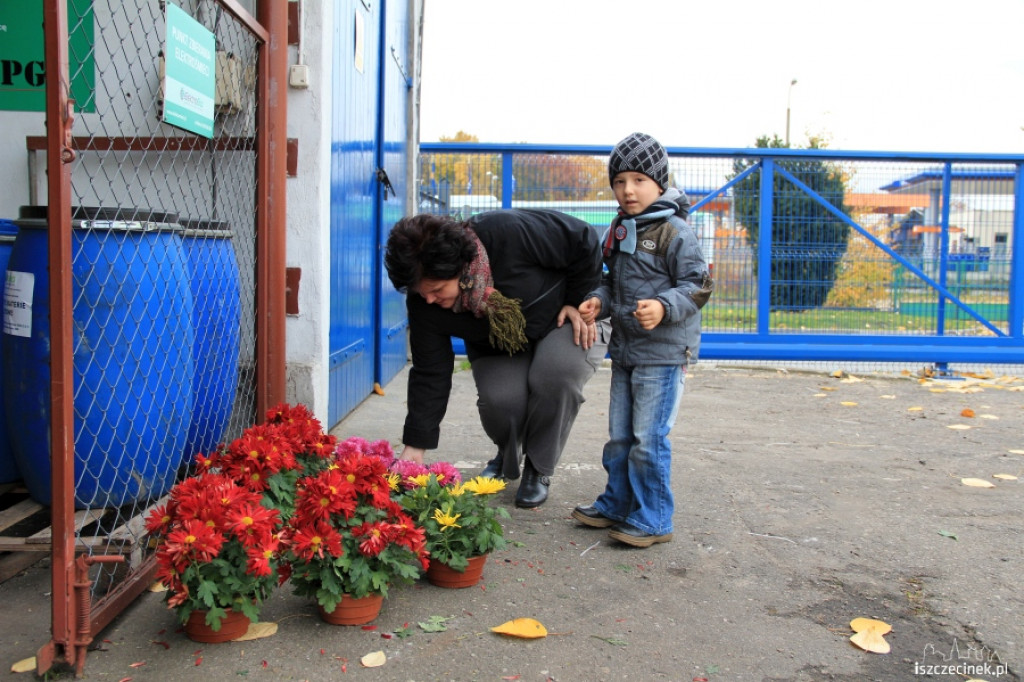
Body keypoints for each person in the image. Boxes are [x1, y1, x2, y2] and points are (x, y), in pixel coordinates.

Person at [384, 208, 607, 508]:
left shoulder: (505, 231)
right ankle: (507, 452)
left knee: (555, 374)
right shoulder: (424, 300)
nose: (429, 300)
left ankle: (538, 468)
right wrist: (415, 446)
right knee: (501, 402)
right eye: (421, 293)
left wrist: (577, 297)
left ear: (461, 269)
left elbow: (582, 238)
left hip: (562, 318)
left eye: (436, 290)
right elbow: (429, 372)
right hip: (498, 343)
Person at [572, 132, 713, 547]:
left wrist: (664, 307)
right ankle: (617, 503)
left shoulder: (676, 232)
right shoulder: (618, 229)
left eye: (638, 180)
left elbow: (699, 285)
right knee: (620, 436)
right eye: (619, 181)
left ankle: (654, 518)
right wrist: (597, 302)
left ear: (659, 182)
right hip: (627, 350)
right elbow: (608, 281)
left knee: (648, 440)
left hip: (664, 353)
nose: (627, 190)